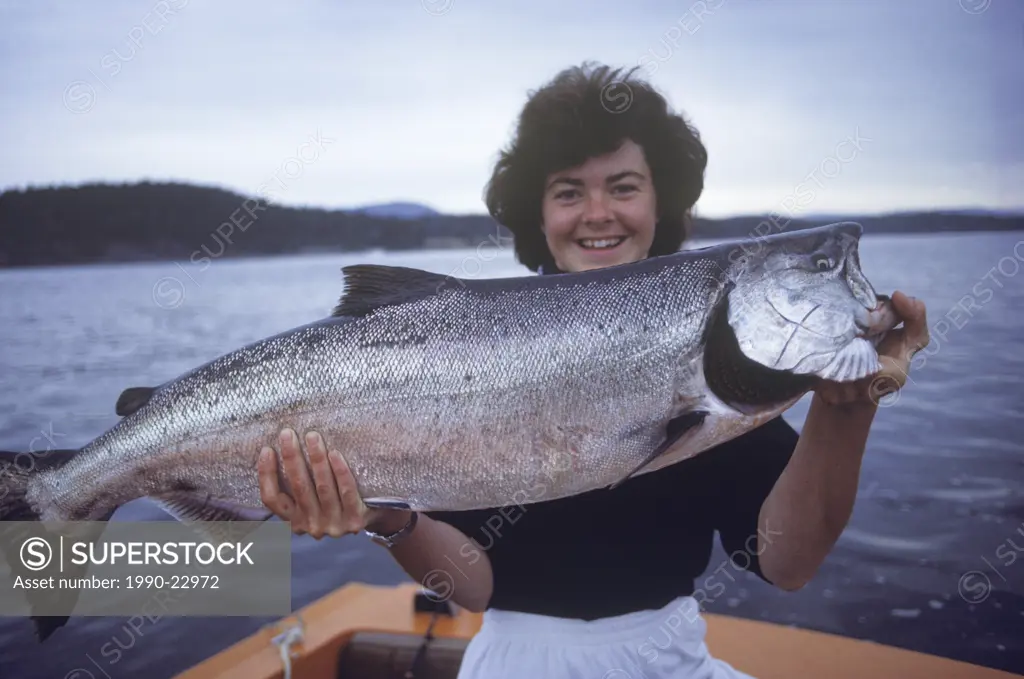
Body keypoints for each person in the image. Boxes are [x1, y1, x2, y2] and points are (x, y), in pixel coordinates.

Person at [255, 63, 930, 678]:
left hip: (673, 662)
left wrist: (846, 410)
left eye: (624, 186)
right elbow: (477, 587)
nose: (599, 213)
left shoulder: (727, 372)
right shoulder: (475, 358)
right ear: (539, 213)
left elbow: (791, 561)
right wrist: (380, 514)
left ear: (660, 203)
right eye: (569, 191)